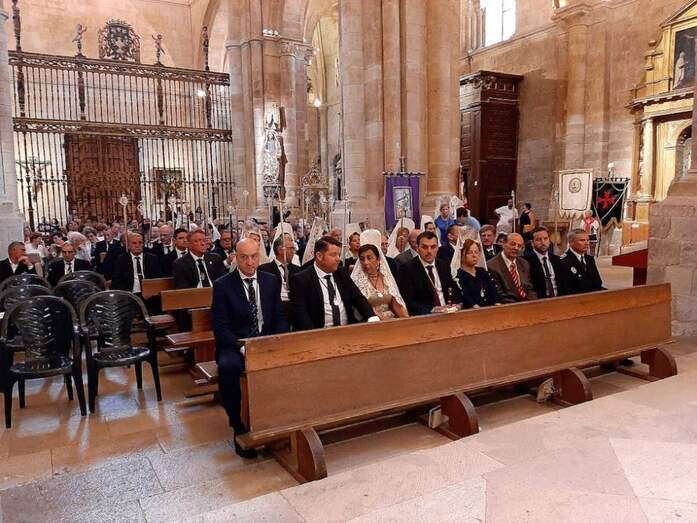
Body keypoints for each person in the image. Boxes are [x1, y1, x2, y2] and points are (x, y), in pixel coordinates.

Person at [212, 238, 289, 458]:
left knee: (292, 360)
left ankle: (281, 418)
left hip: (266, 342)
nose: (249, 262)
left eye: (254, 257)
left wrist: (272, 341)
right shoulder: (223, 285)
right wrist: (243, 347)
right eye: (244, 257)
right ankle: (238, 425)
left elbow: (279, 318)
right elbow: (221, 328)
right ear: (236, 257)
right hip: (236, 344)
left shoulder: (270, 281)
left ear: (259, 256)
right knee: (228, 368)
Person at [290, 236, 377, 331]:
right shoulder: (301, 279)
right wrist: (315, 336)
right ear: (319, 256)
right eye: (333, 255)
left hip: (347, 330)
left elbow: (358, 298)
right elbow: (301, 314)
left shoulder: (342, 273)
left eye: (339, 255)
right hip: (318, 333)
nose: (338, 259)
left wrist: (371, 317)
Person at [396, 231, 462, 315]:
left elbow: (453, 289)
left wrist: (456, 304)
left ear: (438, 248)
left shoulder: (443, 265)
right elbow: (408, 301)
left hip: (448, 313)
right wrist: (432, 309)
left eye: (433, 247)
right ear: (417, 248)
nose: (429, 251)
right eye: (424, 247)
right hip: (425, 316)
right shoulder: (407, 269)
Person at [351, 231, 409, 320]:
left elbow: (396, 304)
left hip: (392, 321)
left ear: (378, 260)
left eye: (369, 258)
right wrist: (385, 322)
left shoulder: (385, 277)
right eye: (362, 259)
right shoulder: (358, 281)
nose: (365, 262)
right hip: (371, 322)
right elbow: (364, 308)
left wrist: (407, 320)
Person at [486, 233, 537, 303]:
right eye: (513, 244)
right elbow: (500, 295)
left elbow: (528, 289)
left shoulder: (524, 263)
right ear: (503, 244)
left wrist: (534, 303)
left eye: (519, 246)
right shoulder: (492, 266)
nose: (516, 248)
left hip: (527, 305)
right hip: (508, 306)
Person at [111, 233, 162, 299]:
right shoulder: (121, 260)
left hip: (150, 295)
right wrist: (128, 294)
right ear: (128, 246)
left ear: (143, 244)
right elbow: (117, 281)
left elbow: (158, 278)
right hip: (129, 295)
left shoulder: (152, 258)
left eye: (140, 243)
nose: (137, 245)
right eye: (134, 243)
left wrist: (150, 292)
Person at [258, 235, 300, 310]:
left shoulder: (298, 270)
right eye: (291, 248)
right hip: (273, 307)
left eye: (294, 249)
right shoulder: (264, 270)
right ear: (280, 250)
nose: (293, 252)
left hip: (294, 309)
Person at [524, 226, 567, 299]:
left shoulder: (557, 260)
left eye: (545, 238)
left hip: (559, 299)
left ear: (549, 241)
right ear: (532, 243)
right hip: (539, 301)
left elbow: (563, 284)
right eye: (539, 239)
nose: (543, 242)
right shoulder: (526, 262)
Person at [456, 239, 501, 308]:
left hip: (490, 309)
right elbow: (466, 297)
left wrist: (497, 303)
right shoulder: (459, 275)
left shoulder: (482, 272)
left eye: (476, 252)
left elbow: (493, 290)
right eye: (470, 252)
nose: (474, 255)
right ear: (462, 254)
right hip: (471, 311)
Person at [559, 229, 605, 294]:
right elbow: (566, 288)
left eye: (587, 240)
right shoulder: (563, 261)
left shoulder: (589, 259)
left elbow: (598, 282)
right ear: (571, 242)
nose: (586, 243)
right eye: (582, 240)